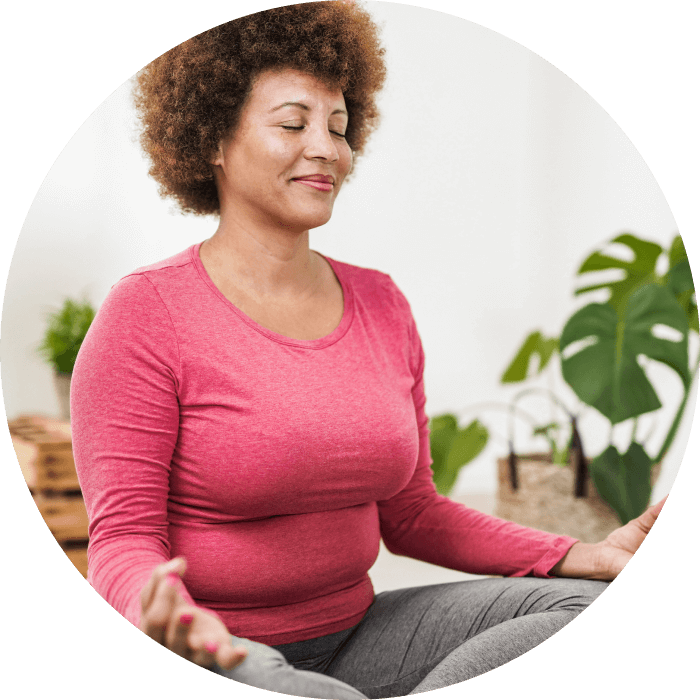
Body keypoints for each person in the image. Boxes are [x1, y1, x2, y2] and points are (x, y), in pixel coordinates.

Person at [71, 3, 665, 697]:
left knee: (580, 605)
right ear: (213, 140)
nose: (326, 147)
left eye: (339, 126)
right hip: (218, 645)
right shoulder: (146, 313)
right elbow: (120, 540)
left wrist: (581, 555)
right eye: (293, 124)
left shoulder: (381, 302)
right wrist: (160, 614)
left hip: (362, 636)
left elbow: (412, 514)